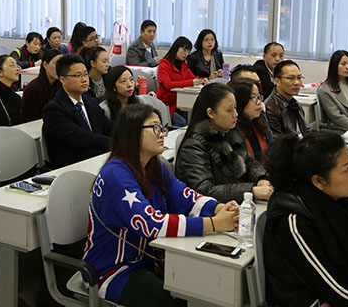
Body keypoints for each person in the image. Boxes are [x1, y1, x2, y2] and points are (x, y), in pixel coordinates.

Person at [83, 103, 239, 306]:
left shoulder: (154, 166)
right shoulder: (115, 175)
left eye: (162, 127)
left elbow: (185, 197)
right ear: (132, 133)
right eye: (155, 128)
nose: (162, 133)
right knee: (173, 300)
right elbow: (151, 224)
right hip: (111, 270)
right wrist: (215, 223)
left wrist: (220, 209)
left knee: (198, 289)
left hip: (148, 260)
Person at [264, 132, 348, 306]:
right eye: (346, 169)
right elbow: (347, 296)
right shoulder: (295, 222)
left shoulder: (343, 203)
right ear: (319, 181)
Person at [176, 83, 272, 203]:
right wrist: (251, 191)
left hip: (227, 206)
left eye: (235, 108)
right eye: (229, 110)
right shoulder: (193, 146)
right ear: (211, 113)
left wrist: (261, 179)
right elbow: (205, 190)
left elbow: (248, 162)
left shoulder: (230, 133)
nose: (235, 114)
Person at [42, 54, 113, 168]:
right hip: (73, 167)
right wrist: (114, 143)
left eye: (85, 74)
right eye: (78, 75)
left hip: (98, 160)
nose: (84, 79)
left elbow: (108, 126)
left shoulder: (90, 102)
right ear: (62, 79)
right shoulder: (53, 110)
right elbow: (81, 137)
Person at [156, 36, 207, 122]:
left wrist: (202, 80)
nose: (186, 54)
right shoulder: (164, 64)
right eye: (184, 50)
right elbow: (168, 85)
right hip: (166, 104)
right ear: (176, 48)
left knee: (193, 119)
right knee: (183, 122)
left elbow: (193, 78)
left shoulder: (183, 65)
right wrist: (191, 82)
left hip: (179, 103)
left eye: (188, 51)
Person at [227, 77, 274, 165]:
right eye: (253, 97)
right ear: (239, 100)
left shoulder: (258, 123)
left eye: (259, 97)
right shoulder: (230, 130)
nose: (259, 102)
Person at [265, 60, 311, 138]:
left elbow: (306, 131)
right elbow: (278, 142)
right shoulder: (270, 108)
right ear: (277, 81)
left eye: (299, 77)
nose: (297, 82)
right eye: (291, 78)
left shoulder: (295, 104)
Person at [21, 48, 63, 123]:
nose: (60, 68)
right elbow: (30, 120)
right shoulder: (33, 89)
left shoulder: (61, 85)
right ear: (45, 65)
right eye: (56, 64)